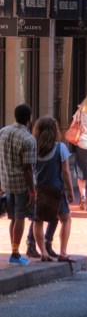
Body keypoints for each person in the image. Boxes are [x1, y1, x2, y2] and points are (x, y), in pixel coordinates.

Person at [26, 117, 74, 262]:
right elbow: (65, 172)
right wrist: (70, 191)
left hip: (39, 190)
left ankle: (44, 253)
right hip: (56, 191)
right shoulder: (61, 148)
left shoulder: (33, 148)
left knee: (38, 221)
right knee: (66, 219)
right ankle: (63, 252)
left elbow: (28, 169)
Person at [0, 103, 38, 265]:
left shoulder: (3, 132)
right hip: (21, 184)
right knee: (20, 216)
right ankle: (15, 253)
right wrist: (33, 191)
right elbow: (28, 168)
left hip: (6, 181)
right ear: (29, 119)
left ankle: (14, 250)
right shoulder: (28, 139)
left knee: (13, 218)